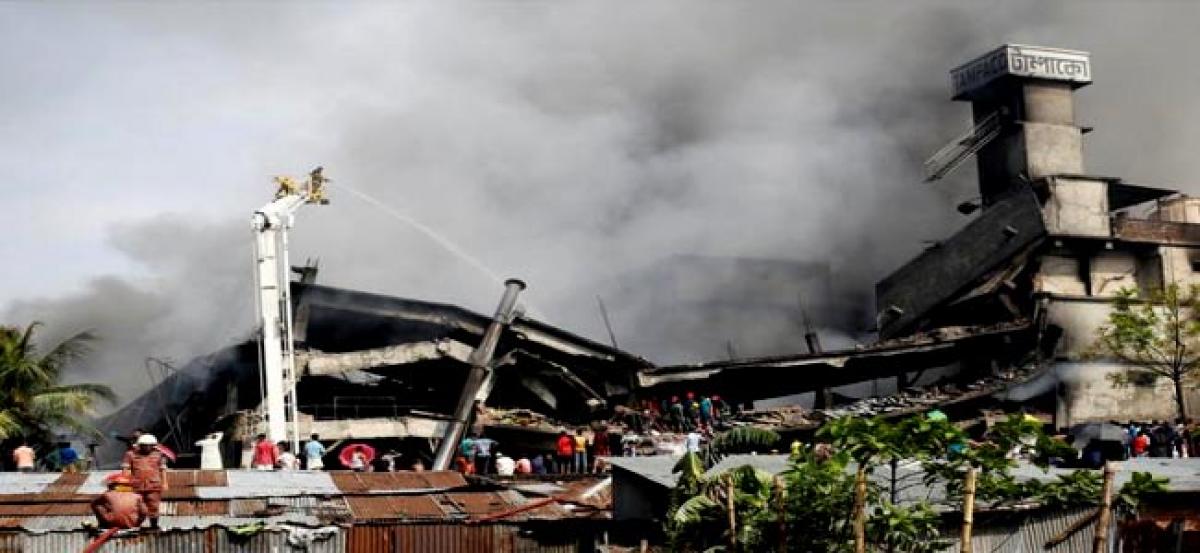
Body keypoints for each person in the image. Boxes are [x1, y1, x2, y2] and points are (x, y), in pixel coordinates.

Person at [122, 434, 168, 528]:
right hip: (136, 485)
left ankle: (154, 525)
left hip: (153, 485)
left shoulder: (159, 455)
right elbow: (126, 470)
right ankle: (135, 525)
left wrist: (165, 483)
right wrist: (125, 483)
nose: (147, 447)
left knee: (153, 505)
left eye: (149, 445)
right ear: (140, 445)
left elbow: (163, 470)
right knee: (135, 506)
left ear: (153, 445)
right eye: (144, 445)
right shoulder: (130, 454)